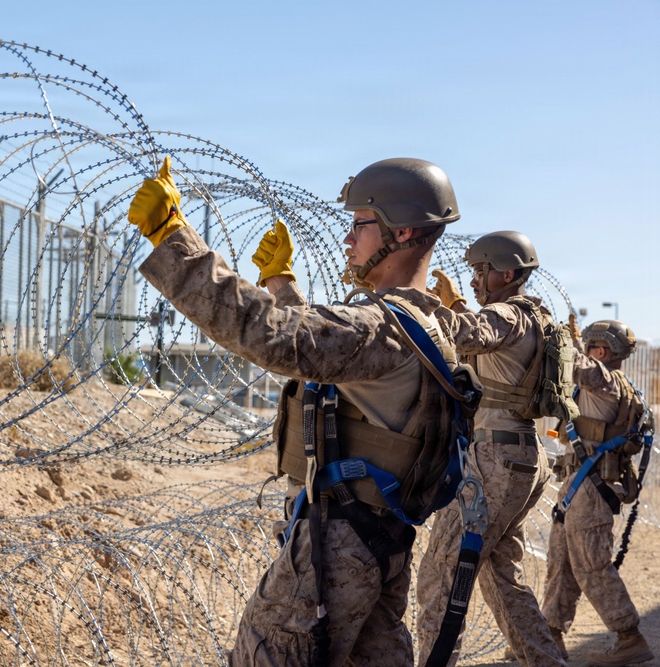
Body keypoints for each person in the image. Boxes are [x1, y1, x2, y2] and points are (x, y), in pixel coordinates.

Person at [128, 155, 462, 665]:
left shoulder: (381, 328)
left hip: (337, 548)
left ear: (403, 231)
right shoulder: (428, 326)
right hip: (383, 541)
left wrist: (175, 239)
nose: (348, 240)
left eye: (360, 224)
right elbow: (325, 353)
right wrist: (282, 284)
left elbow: (278, 339)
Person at [421, 232, 567, 666]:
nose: (472, 281)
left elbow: (467, 333)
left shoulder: (506, 313)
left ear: (506, 273)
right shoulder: (534, 317)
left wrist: (420, 302)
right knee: (501, 577)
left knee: (442, 576)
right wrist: (457, 307)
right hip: (519, 456)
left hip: (494, 461)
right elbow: (485, 336)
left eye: (480, 271)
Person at [541, 318, 654, 667]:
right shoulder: (604, 383)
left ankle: (629, 637)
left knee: (592, 565)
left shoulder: (606, 382)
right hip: (578, 486)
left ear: (601, 351)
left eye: (589, 346)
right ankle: (550, 636)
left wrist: (556, 337)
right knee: (561, 562)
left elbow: (575, 366)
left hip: (591, 490)